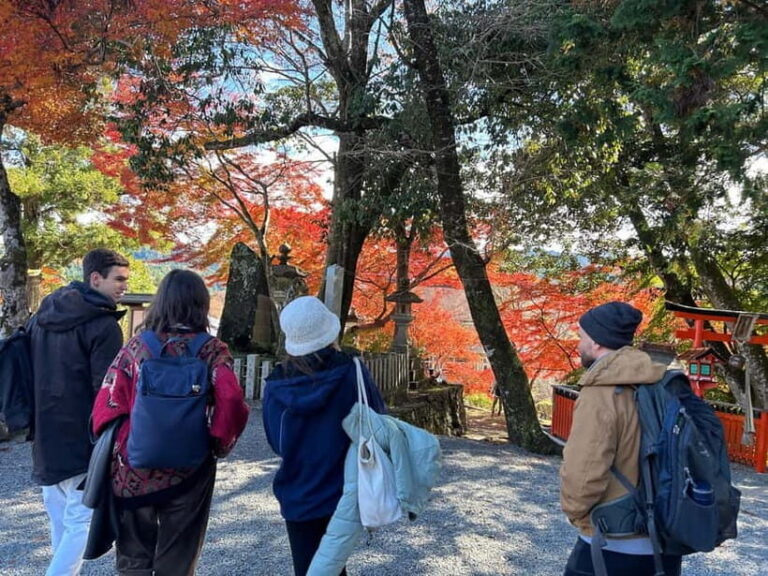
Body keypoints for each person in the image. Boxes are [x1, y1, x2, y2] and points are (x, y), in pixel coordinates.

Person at [90, 269, 249, 576]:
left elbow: (108, 401)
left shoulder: (136, 348)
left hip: (133, 467)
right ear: (201, 304)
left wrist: (122, 442)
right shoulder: (212, 350)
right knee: (178, 556)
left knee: (133, 557)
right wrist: (218, 442)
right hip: (189, 470)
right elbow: (231, 399)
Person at [262, 296, 386, 576]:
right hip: (346, 489)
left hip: (298, 491)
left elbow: (276, 442)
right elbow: (377, 423)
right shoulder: (351, 371)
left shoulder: (276, 386)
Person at [560, 301, 683, 576]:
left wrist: (576, 513)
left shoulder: (600, 393)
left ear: (597, 342)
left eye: (582, 337)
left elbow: (584, 470)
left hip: (611, 543)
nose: (579, 344)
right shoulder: (664, 384)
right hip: (665, 545)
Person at [28, 248, 130, 576]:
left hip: (44, 432)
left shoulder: (42, 317)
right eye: (118, 279)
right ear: (95, 278)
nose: (123, 287)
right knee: (82, 522)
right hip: (82, 436)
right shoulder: (103, 326)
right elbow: (108, 391)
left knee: (62, 522)